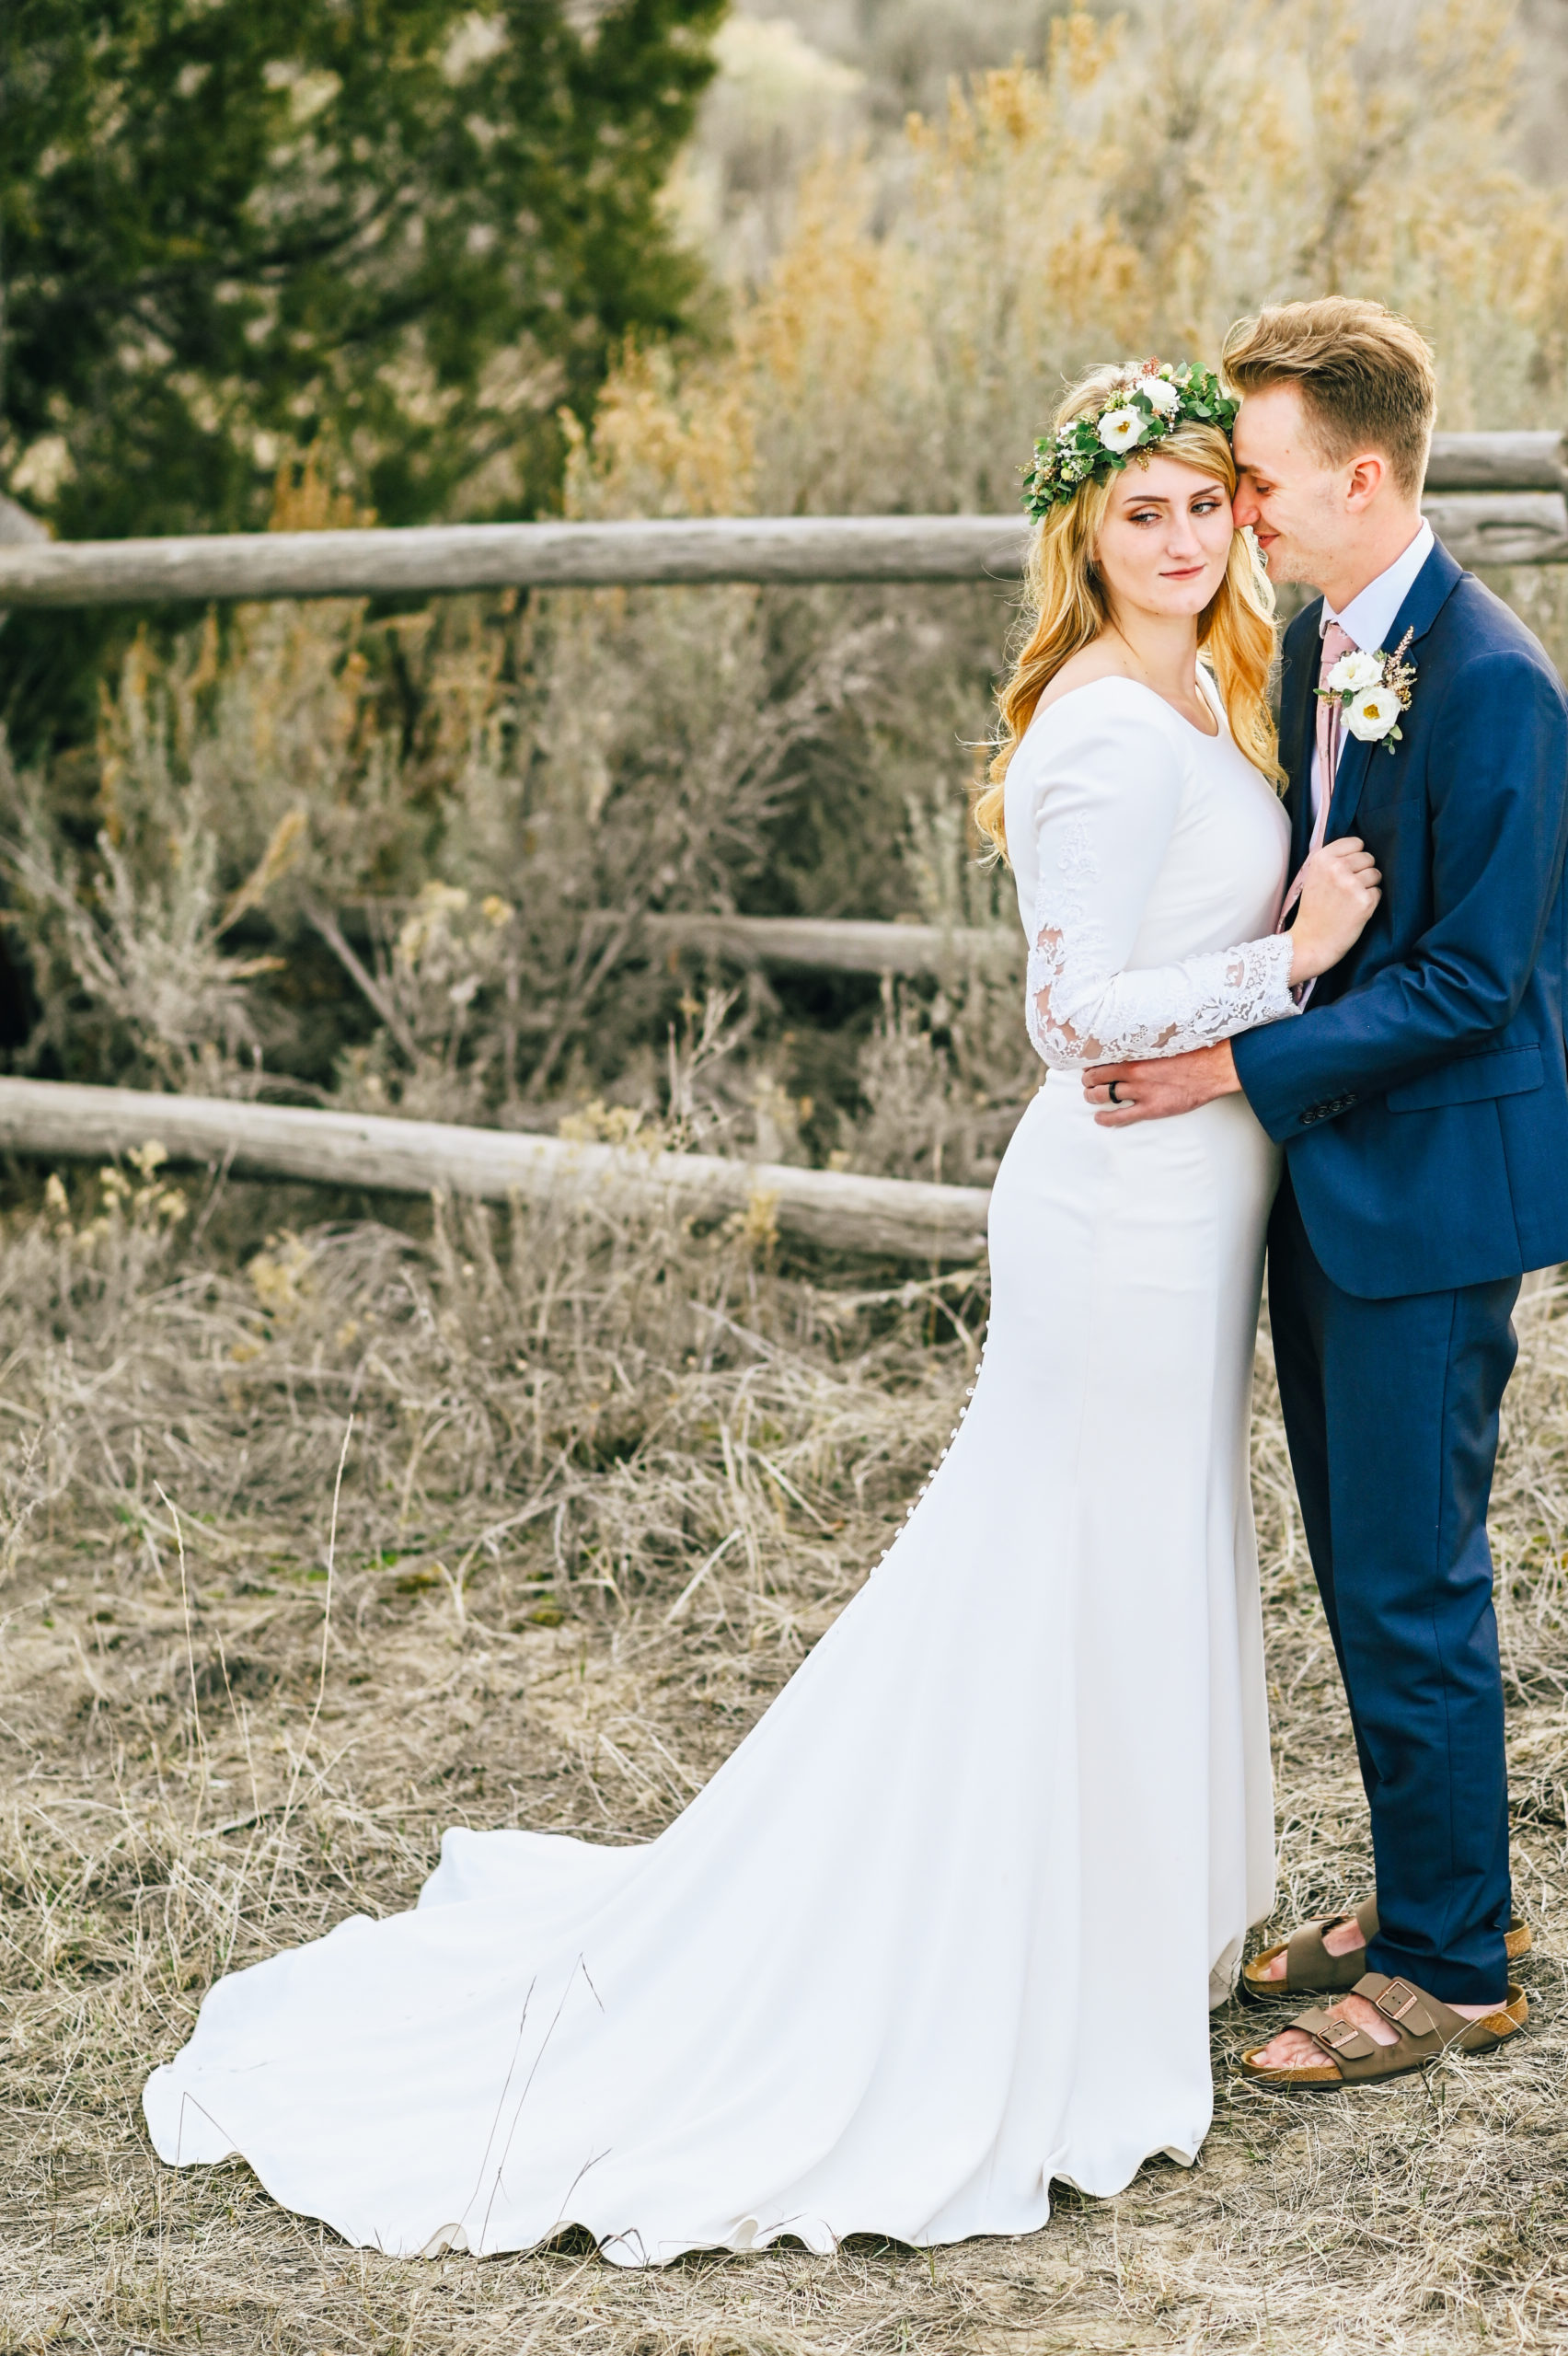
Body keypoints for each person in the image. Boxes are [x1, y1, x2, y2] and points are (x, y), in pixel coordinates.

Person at [140, 361, 1385, 2263]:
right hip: (1118, 1215)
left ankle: (1135, 1929)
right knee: (1065, 1569)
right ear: (1084, 532)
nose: (1187, 537)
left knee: (1140, 1557)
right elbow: (1069, 1018)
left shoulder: (1204, 682)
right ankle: (1014, 1971)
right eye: (1143, 512)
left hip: (1189, 1209)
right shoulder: (1100, 732)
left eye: (1207, 503)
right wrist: (1285, 962)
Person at [1083, 298, 1568, 2089]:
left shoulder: (1504, 685)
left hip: (1431, 1207)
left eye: (1263, 482)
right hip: (1337, 1189)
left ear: (1363, 475)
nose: (1240, 513)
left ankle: (1455, 1960)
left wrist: (1221, 1065)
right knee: (1365, 1575)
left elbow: (1475, 983)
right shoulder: (1324, 648)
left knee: (1412, 1579)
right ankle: (1426, 1887)